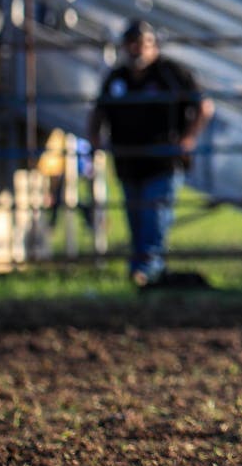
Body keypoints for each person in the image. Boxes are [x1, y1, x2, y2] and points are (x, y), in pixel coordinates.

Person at [88, 19, 214, 288]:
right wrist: (94, 139)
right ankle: (144, 275)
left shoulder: (170, 73)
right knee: (136, 221)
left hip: (163, 162)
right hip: (128, 162)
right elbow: (98, 111)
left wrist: (188, 138)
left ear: (153, 45)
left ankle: (147, 272)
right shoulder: (117, 77)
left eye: (143, 43)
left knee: (153, 218)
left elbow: (204, 106)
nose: (137, 49)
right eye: (132, 43)